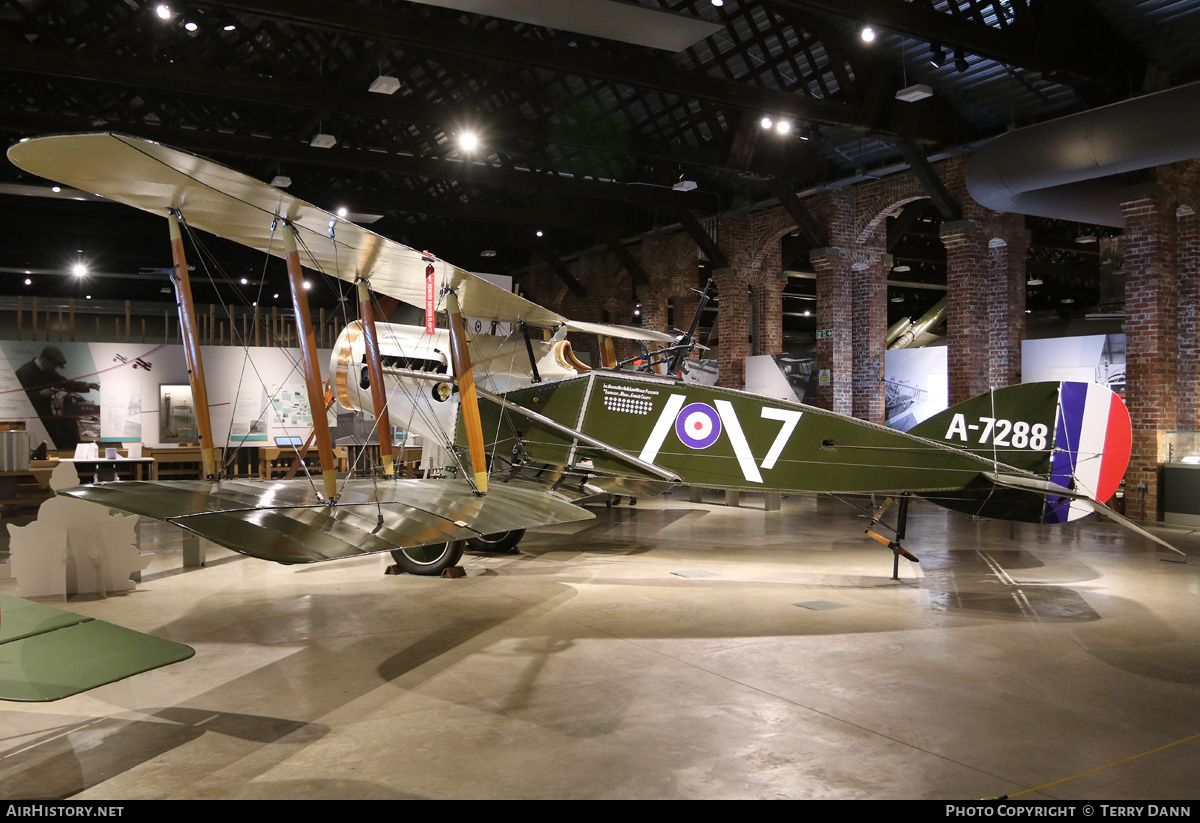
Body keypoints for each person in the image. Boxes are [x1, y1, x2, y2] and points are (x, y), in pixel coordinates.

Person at [15, 345, 100, 450]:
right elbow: (17, 400)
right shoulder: (25, 372)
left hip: (46, 419)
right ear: (45, 360)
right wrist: (40, 394)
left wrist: (87, 385)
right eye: (53, 365)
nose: (54, 368)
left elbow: (64, 383)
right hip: (32, 422)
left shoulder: (47, 370)